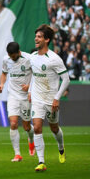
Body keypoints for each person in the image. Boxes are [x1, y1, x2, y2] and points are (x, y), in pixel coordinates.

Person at [28, 24, 70, 171]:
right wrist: (30, 92)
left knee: (54, 128)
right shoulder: (32, 57)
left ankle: (61, 147)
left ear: (47, 39)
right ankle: (41, 162)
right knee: (37, 127)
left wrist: (57, 98)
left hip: (51, 100)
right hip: (37, 99)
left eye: (39, 37)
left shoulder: (54, 59)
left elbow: (66, 79)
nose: (36, 39)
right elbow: (33, 76)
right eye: (36, 36)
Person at [0, 42, 35, 162]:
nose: (12, 58)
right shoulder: (6, 59)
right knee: (13, 123)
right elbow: (4, 73)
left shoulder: (29, 59)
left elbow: (37, 75)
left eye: (14, 56)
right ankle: (17, 154)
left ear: (19, 52)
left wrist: (29, 86)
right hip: (12, 95)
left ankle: (31, 140)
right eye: (10, 56)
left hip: (25, 97)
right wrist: (2, 84)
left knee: (26, 126)